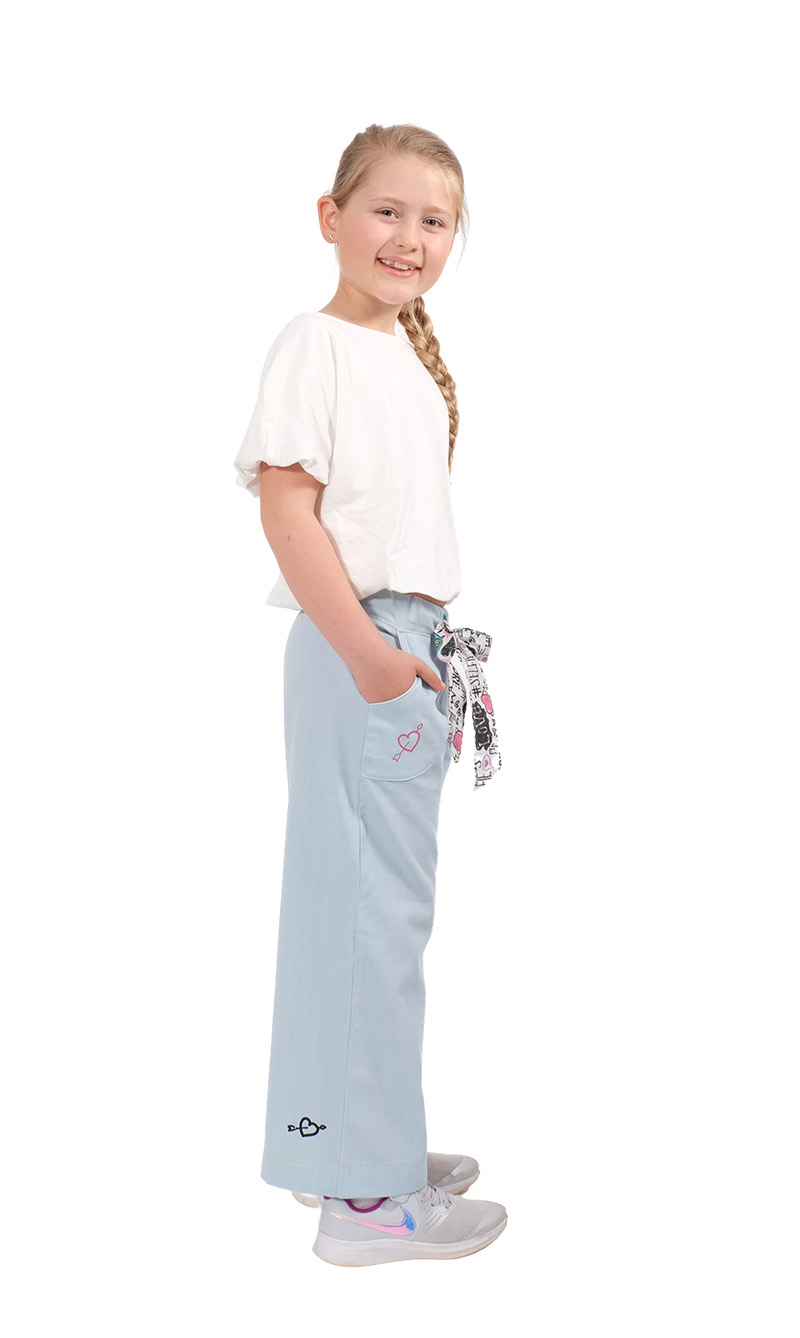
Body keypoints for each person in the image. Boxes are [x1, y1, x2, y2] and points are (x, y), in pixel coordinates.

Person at [233, 123, 505, 1267]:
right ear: (330, 217)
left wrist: (403, 652)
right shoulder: (318, 343)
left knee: (353, 909)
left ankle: (345, 1144)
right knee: (372, 917)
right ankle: (369, 1204)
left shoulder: (402, 358)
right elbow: (285, 509)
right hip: (365, 646)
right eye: (385, 211)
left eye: (432, 220)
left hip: (395, 644)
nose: (408, 236)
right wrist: (371, 657)